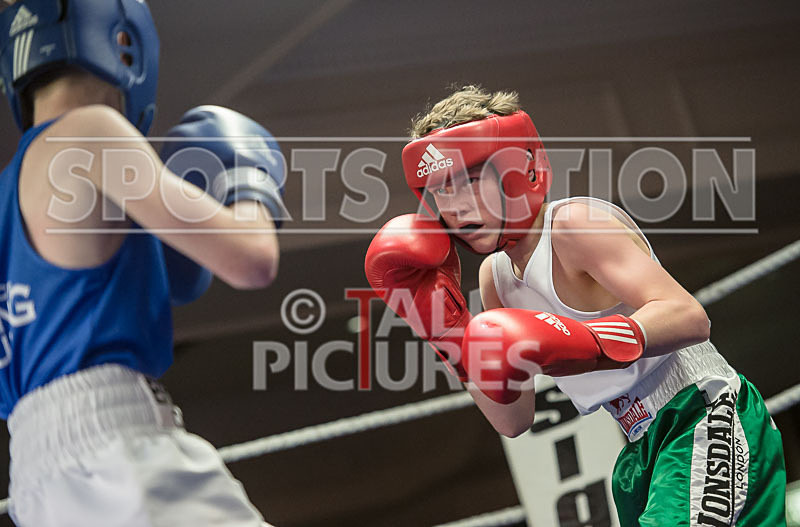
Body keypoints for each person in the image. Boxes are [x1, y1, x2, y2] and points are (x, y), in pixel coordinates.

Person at [365, 85, 786, 526]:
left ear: (518, 168)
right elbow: (513, 419)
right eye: (441, 190)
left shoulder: (573, 226)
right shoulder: (496, 279)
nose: (457, 205)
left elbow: (689, 316)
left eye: (470, 180)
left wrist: (580, 340)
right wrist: (445, 328)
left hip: (703, 412)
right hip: (638, 447)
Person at [0, 1, 285, 525]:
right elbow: (251, 259)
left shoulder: (7, 192)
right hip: (116, 454)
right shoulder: (90, 130)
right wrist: (248, 178)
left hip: (34, 484)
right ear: (124, 42)